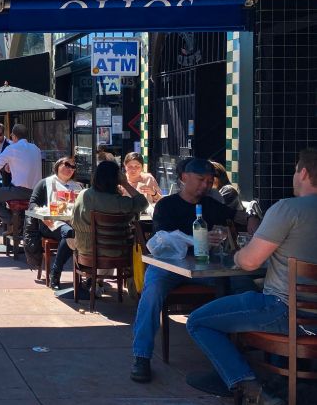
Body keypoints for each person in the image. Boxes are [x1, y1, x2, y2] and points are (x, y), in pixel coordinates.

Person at [185, 148, 317, 405]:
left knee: (198, 322)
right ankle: (282, 384)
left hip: (286, 312)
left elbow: (249, 262)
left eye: (295, 170)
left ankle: (253, 392)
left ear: (304, 172)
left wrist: (235, 254)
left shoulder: (287, 209)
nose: (294, 175)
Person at [130, 157, 259, 384]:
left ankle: (243, 348)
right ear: (184, 178)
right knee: (151, 293)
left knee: (240, 284)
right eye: (201, 180)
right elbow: (162, 240)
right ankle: (141, 356)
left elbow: (236, 215)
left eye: (209, 181)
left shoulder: (210, 205)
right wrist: (195, 239)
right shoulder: (166, 205)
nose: (205, 186)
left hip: (204, 268)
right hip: (168, 267)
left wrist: (251, 218)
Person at [68, 160, 148, 297]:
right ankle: (137, 291)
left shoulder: (83, 195)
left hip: (85, 250)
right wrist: (125, 184)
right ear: (116, 179)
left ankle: (95, 281)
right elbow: (143, 203)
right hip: (115, 253)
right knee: (139, 247)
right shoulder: (118, 202)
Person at [0, 124, 42, 262]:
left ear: (13, 136)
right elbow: (25, 165)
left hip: (20, 191)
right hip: (37, 193)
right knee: (5, 193)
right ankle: (18, 222)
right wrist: (11, 166)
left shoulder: (12, 148)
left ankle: (11, 221)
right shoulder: (36, 149)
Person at [24, 157, 83, 290]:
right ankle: (55, 273)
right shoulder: (45, 183)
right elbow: (32, 204)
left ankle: (90, 278)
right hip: (51, 223)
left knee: (81, 234)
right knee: (69, 233)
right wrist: (43, 214)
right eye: (67, 165)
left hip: (74, 223)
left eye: (73, 167)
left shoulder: (77, 186)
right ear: (57, 165)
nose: (70, 169)